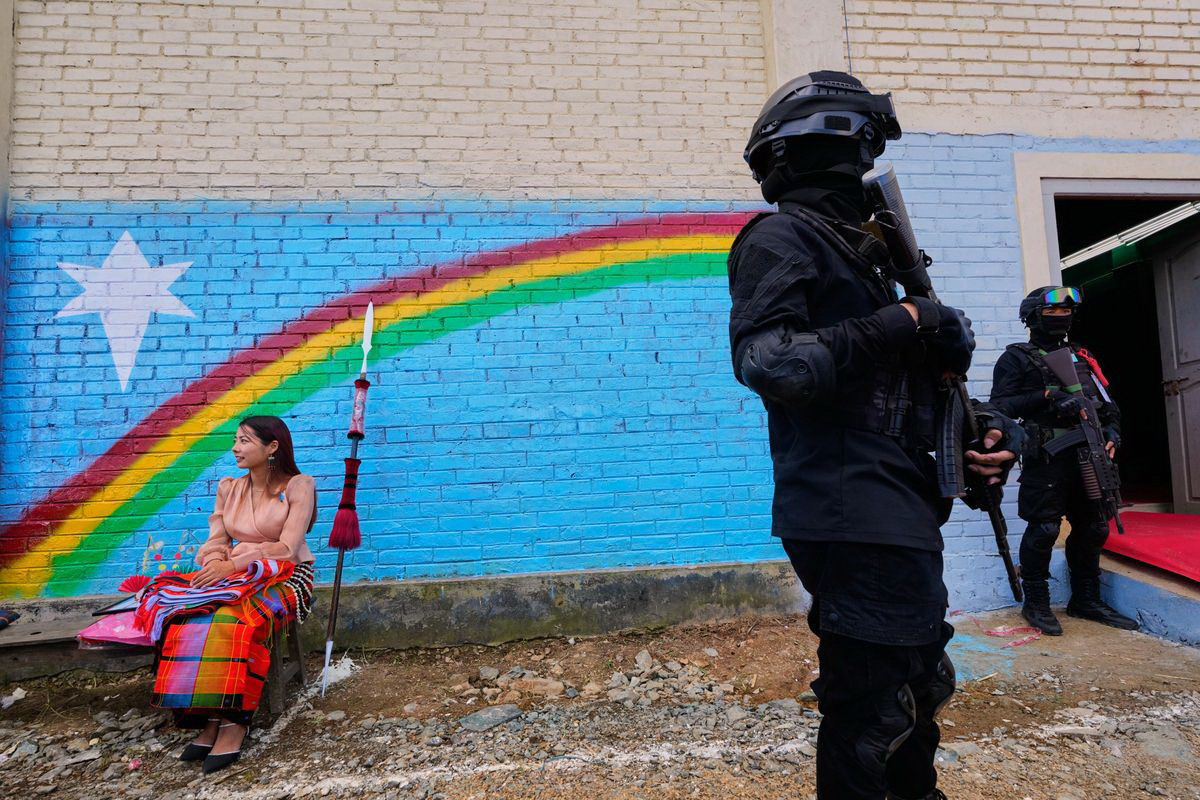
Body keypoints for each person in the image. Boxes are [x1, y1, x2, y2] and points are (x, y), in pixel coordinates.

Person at [728, 70, 1019, 800]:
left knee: (920, 681)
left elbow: (903, 396)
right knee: (873, 704)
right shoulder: (784, 235)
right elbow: (774, 364)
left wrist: (987, 432)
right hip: (848, 504)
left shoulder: (868, 262)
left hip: (897, 507)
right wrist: (905, 320)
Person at [135, 415, 317, 775]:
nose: (235, 448)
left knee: (232, 620)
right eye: (235, 440)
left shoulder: (298, 486)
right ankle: (210, 716)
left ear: (272, 447)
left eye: (244, 441)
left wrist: (233, 564)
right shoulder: (229, 487)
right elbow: (217, 539)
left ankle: (236, 720)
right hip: (236, 574)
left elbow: (286, 547)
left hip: (287, 575)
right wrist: (217, 561)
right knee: (188, 617)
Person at [989, 286, 1138, 635]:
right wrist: (1047, 396)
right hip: (1048, 457)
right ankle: (1036, 602)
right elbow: (999, 406)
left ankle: (1086, 599)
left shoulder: (1082, 357)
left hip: (1090, 454)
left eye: (1066, 312)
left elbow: (1108, 404)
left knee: (1094, 527)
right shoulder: (1016, 358)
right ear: (1032, 317)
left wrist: (1113, 433)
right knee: (1044, 529)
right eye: (1051, 312)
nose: (1061, 317)